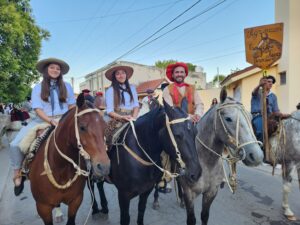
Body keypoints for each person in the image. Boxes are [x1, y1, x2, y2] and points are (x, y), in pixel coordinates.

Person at [9, 58, 75, 196]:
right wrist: (51, 121)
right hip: (41, 120)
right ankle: (18, 172)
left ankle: (90, 169)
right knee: (15, 145)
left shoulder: (67, 86)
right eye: (52, 67)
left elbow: (71, 105)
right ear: (46, 70)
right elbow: (38, 109)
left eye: (58, 68)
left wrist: (67, 119)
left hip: (64, 119)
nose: (55, 70)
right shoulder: (38, 88)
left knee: (87, 138)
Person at [160, 62, 204, 193]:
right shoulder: (167, 90)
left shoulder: (192, 88)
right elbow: (170, 108)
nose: (179, 74)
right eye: (177, 72)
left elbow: (200, 104)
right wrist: (188, 116)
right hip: (174, 122)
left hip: (191, 122)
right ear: (173, 75)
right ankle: (165, 177)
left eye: (181, 72)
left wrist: (198, 114)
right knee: (166, 146)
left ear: (185, 74)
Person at [104, 65, 139, 144]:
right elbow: (110, 111)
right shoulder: (110, 90)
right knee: (110, 137)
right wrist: (122, 117)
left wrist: (134, 118)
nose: (121, 75)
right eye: (118, 74)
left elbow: (136, 105)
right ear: (114, 77)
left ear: (126, 75)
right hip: (117, 117)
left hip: (133, 115)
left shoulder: (132, 88)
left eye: (123, 73)